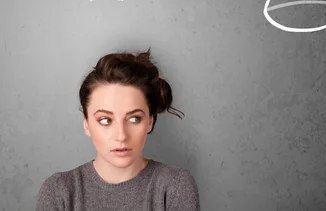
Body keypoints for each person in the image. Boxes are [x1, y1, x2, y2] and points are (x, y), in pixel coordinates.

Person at [35, 47, 201, 210]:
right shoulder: (59, 191)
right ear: (86, 124)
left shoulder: (175, 187)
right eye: (106, 120)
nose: (121, 136)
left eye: (134, 118)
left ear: (150, 121)